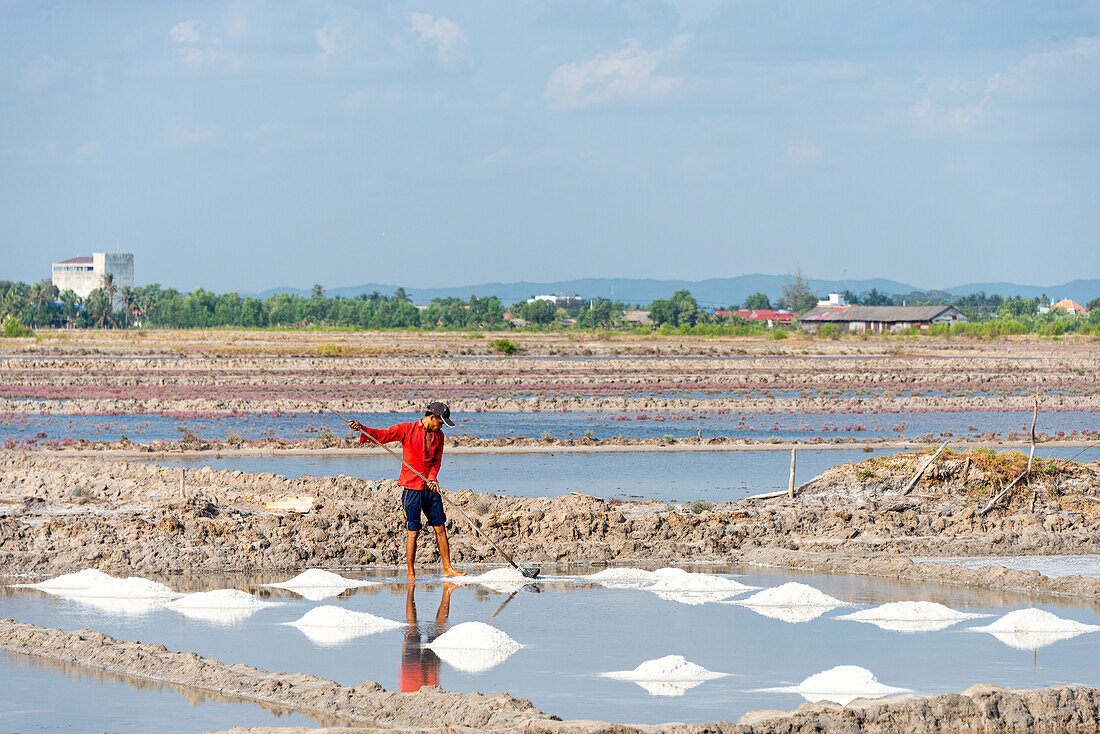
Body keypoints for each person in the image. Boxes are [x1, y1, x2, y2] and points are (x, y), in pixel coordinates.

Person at [347, 401, 466, 583]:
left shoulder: (439, 436)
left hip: (430, 488)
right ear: (431, 417)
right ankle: (411, 573)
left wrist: (433, 477)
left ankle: (447, 568)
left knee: (440, 528)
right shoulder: (406, 429)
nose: (441, 426)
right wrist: (361, 428)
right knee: (414, 532)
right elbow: (382, 435)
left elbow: (437, 461)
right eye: (440, 422)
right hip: (411, 488)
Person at [399, 582, 457, 692]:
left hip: (412, 676)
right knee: (436, 636)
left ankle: (411, 588)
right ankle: (447, 592)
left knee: (413, 632)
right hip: (416, 678)